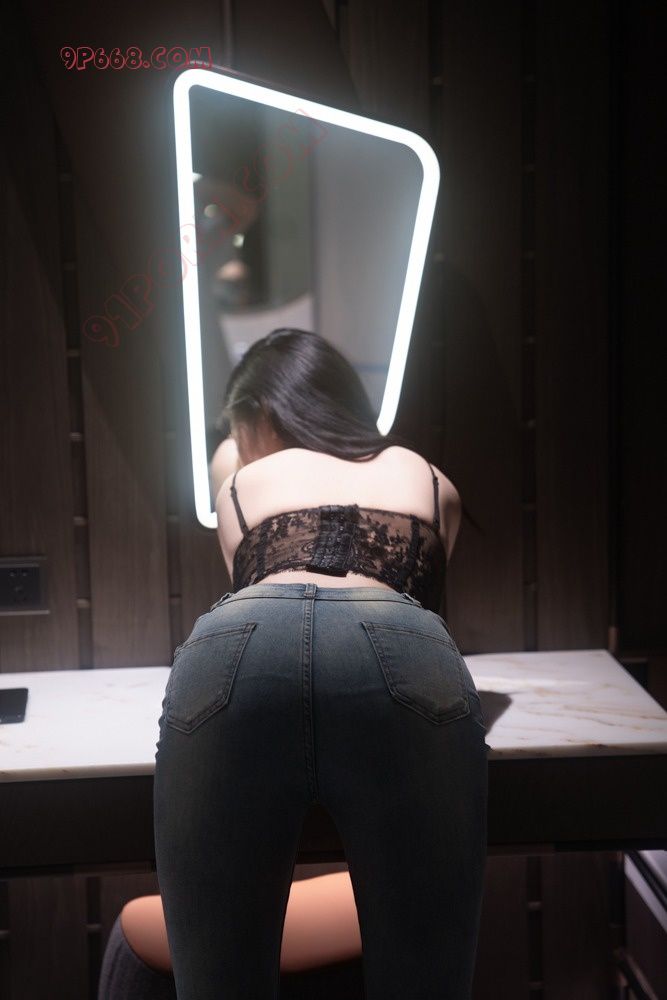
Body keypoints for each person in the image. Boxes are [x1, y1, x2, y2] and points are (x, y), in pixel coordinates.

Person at [98, 328, 488, 1000]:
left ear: (257, 417)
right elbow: (418, 611)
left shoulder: (240, 480)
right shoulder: (429, 478)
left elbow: (265, 595)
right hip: (398, 643)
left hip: (242, 644)